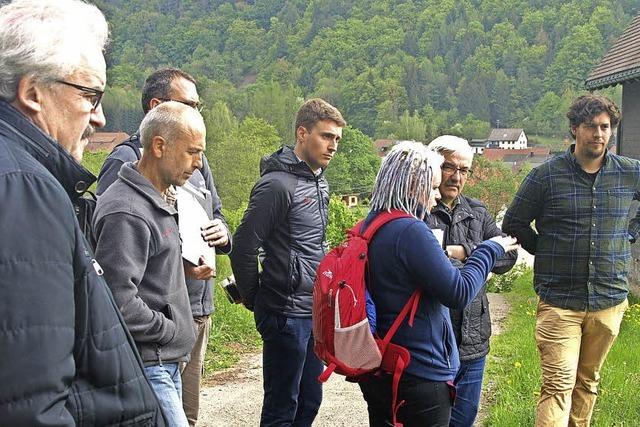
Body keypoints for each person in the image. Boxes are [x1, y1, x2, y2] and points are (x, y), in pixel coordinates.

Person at [0, 0, 164, 425]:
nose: (99, 117)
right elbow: (30, 406)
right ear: (33, 92)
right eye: (89, 96)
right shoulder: (25, 186)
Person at [97, 68, 231, 426]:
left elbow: (150, 258)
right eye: (192, 152)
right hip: (150, 359)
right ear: (159, 145)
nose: (199, 163)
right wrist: (171, 328)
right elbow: (116, 296)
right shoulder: (127, 207)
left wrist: (183, 268)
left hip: (170, 356)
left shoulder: (163, 195)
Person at [358, 141, 518, 427]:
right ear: (411, 185)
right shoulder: (410, 230)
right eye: (431, 187)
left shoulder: (373, 223)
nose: (434, 198)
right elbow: (458, 292)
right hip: (419, 368)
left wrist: (462, 253)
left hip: (386, 361)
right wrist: (487, 250)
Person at [502, 94, 636, 426]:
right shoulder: (546, 176)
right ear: (574, 129)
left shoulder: (629, 173)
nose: (599, 134)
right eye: (591, 126)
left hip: (608, 299)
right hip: (560, 300)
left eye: (605, 127)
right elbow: (514, 223)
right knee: (559, 384)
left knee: (588, 383)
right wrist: (544, 249)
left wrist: (630, 233)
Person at [230, 98, 345, 426]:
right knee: (283, 405)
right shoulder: (277, 185)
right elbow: (243, 245)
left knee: (310, 399)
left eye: (337, 139)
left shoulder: (319, 179)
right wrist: (255, 299)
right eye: (326, 136)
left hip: (313, 310)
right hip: (284, 313)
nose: (332, 146)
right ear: (301, 133)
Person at [426, 135, 518, 427]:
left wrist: (466, 252)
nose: (456, 177)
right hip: (435, 338)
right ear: (434, 166)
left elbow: (509, 254)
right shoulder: (421, 210)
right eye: (450, 167)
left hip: (474, 338)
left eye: (464, 170)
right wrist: (479, 255)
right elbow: (429, 265)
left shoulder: (477, 212)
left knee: (464, 420)